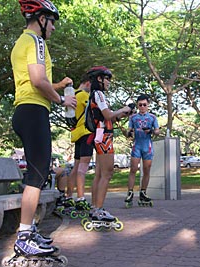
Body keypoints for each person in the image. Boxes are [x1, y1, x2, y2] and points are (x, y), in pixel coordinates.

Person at [10, 0, 76, 257]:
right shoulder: (37, 42)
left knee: (37, 175)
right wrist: (61, 100)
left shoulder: (21, 42)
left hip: (25, 110)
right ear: (41, 19)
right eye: (53, 22)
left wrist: (57, 87)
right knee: (36, 177)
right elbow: (38, 81)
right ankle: (24, 236)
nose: (54, 28)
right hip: (34, 110)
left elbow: (34, 80)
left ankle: (29, 230)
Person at [85, 66, 133, 222]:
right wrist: (124, 108)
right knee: (107, 173)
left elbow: (110, 117)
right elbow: (108, 115)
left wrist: (122, 114)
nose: (109, 83)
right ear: (99, 79)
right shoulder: (98, 94)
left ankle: (94, 208)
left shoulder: (94, 95)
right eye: (107, 79)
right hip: (104, 137)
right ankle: (99, 210)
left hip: (100, 135)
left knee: (99, 175)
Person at [63, 72, 95, 213]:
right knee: (83, 168)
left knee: (76, 168)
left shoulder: (71, 96)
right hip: (86, 133)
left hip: (77, 135)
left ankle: (69, 196)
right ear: (88, 83)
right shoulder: (83, 95)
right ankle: (81, 198)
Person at [124, 94, 160, 207]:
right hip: (137, 145)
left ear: (148, 105)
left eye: (145, 104)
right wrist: (128, 133)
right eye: (140, 105)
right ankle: (130, 192)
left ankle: (143, 192)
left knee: (146, 169)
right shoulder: (133, 117)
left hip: (147, 145)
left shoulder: (152, 117)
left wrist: (151, 131)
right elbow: (128, 131)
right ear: (138, 105)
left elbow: (158, 131)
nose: (142, 107)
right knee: (133, 169)